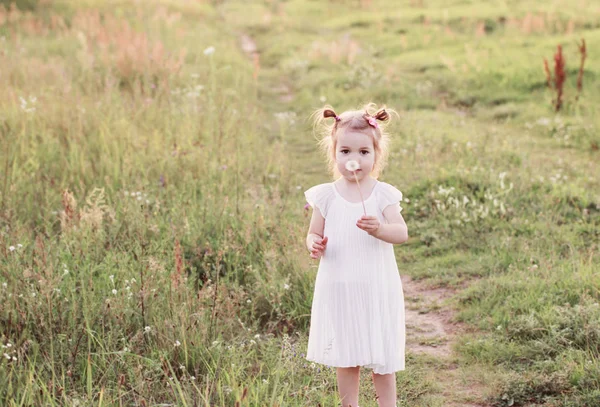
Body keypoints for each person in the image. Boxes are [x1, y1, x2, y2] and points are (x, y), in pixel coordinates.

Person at [304, 103, 408, 407]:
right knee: (347, 359)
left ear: (376, 155)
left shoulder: (382, 194)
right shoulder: (325, 195)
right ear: (334, 153)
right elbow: (313, 232)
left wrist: (379, 229)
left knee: (382, 360)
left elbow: (401, 233)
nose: (354, 160)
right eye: (345, 151)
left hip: (376, 287)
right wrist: (313, 244)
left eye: (364, 152)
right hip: (340, 288)